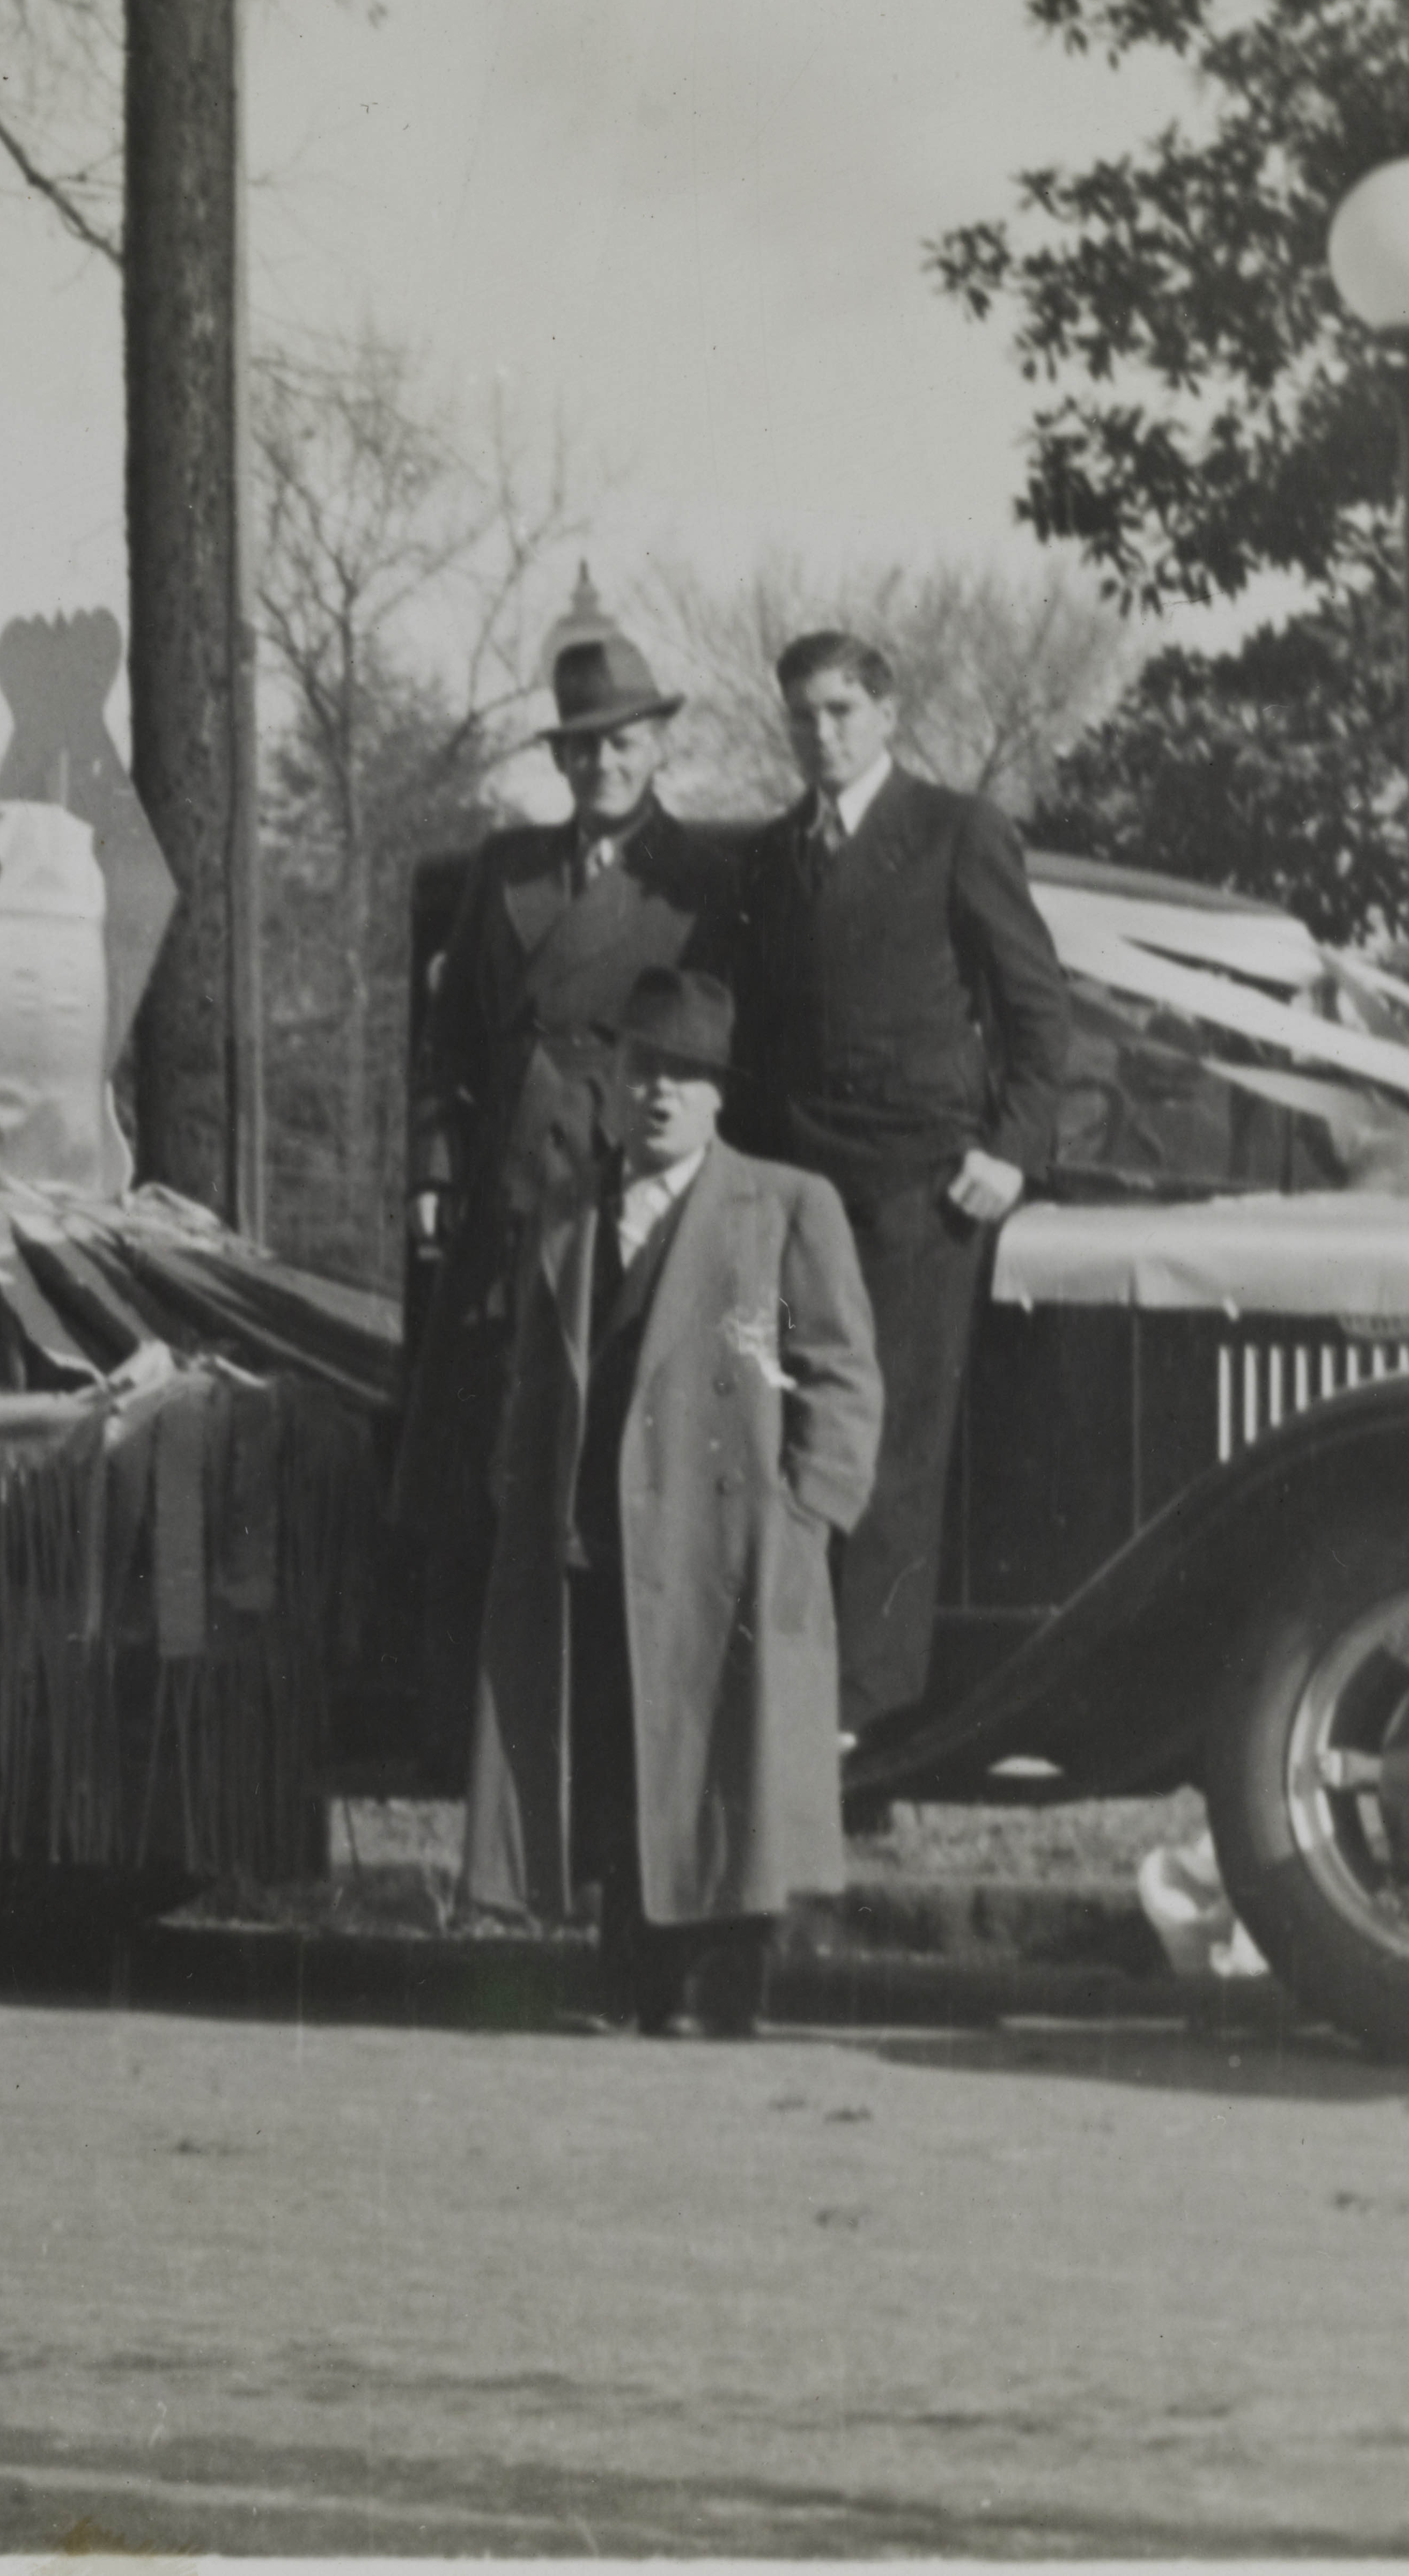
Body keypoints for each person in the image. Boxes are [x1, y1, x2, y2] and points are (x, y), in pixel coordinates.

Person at [462, 969, 883, 2036]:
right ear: (608, 1078)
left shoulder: (785, 1204)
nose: (660, 1092)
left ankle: (721, 1988)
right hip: (594, 1532)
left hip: (729, 1539)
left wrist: (807, 1513)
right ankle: (627, 1981)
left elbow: (840, 1370)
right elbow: (530, 1374)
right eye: (645, 1067)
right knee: (616, 1751)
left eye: (687, 1075)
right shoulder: (566, 1212)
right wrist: (521, 1495)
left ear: (717, 1096)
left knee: (726, 1753)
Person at [392, 614, 736, 1766]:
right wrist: (434, 1172)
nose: (602, 764)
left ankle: (610, 1714)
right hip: (506, 1192)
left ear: (655, 748)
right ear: (557, 761)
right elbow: (443, 1049)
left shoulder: (698, 878)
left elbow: (719, 1049)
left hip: (621, 1177)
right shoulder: (505, 868)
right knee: (493, 1447)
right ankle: (492, 1720)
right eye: (582, 747)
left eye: (622, 742)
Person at [731, 628, 1069, 1737]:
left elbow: (1034, 1005)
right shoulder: (776, 852)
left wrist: (1009, 1149)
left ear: (885, 713)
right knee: (778, 1416)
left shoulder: (951, 830)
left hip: (917, 1190)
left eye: (837, 711)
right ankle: (783, 1678)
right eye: (800, 716)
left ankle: (861, 1706)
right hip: (790, 1187)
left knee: (892, 1441)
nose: (818, 735)